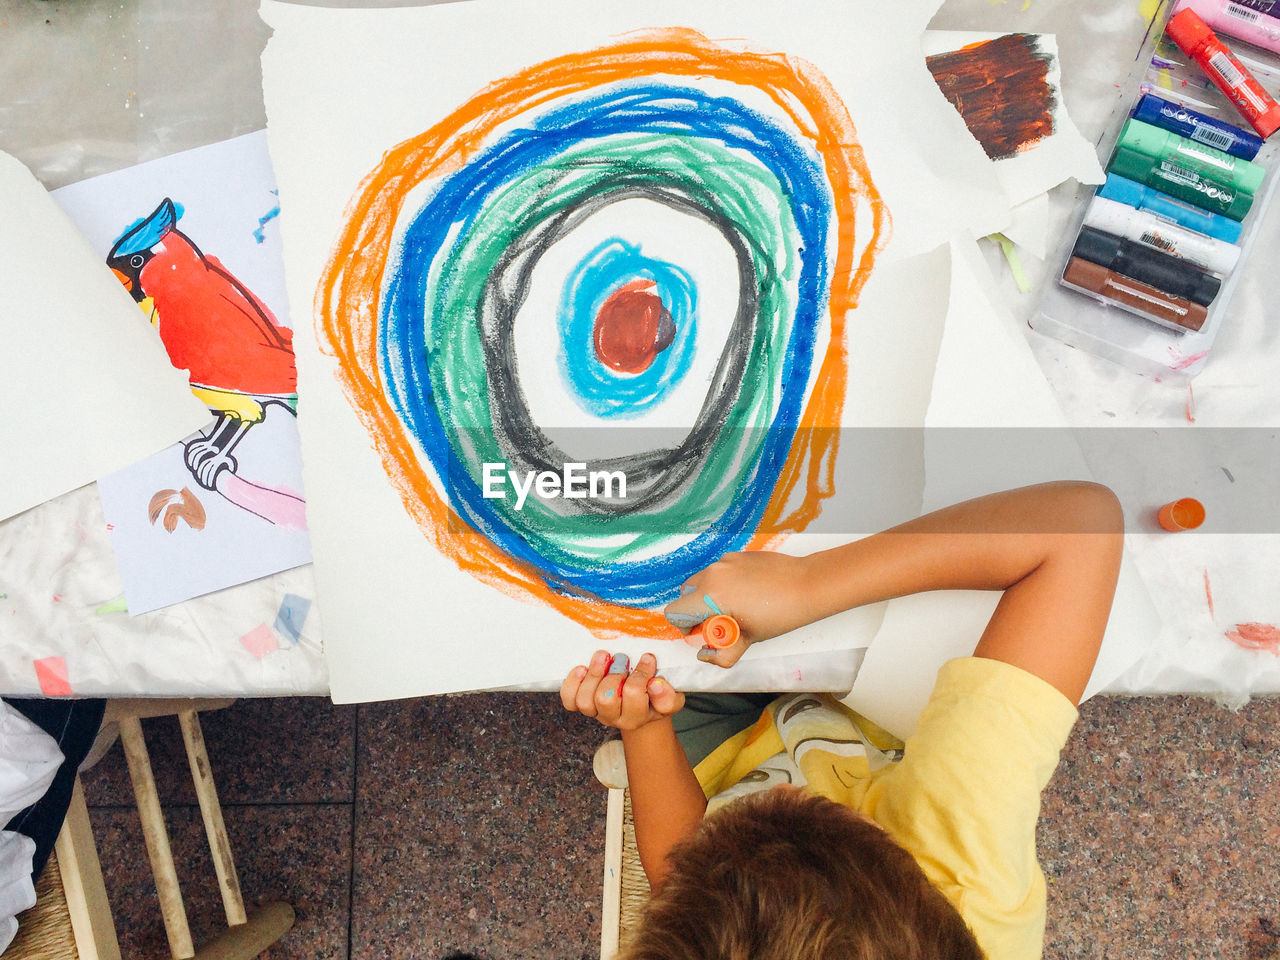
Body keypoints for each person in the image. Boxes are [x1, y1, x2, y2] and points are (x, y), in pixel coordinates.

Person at [560, 481, 1124, 960]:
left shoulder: (721, 913)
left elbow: (677, 868)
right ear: (905, 865)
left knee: (674, 678)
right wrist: (808, 585)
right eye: (811, 808)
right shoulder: (968, 857)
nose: (794, 796)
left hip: (742, 757)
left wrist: (643, 729)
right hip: (877, 727)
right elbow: (1082, 527)